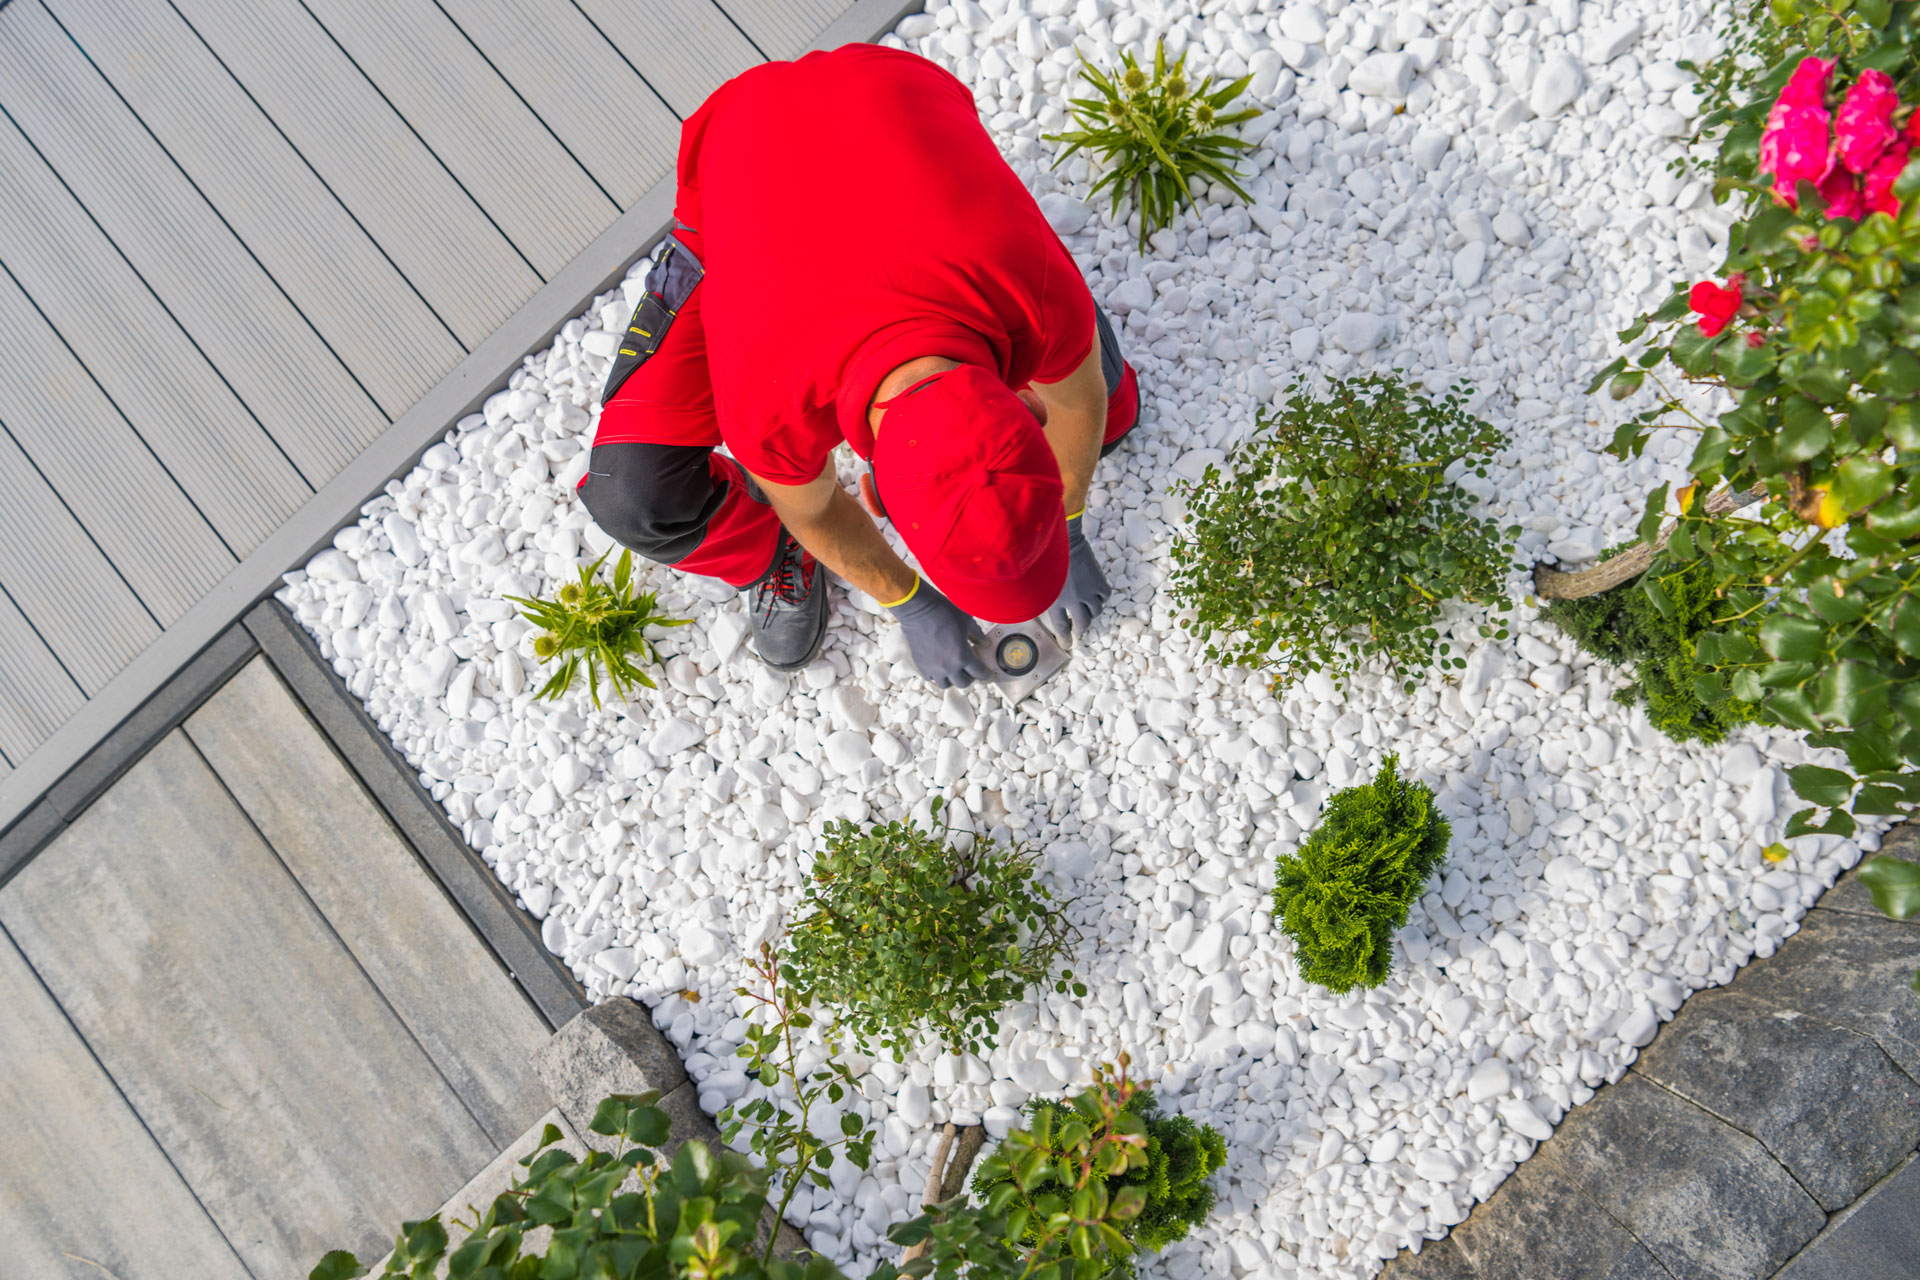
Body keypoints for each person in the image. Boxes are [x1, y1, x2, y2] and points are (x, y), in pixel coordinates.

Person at [577, 43, 1140, 689]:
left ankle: (1088, 360)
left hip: (890, 86)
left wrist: (1063, 526)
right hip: (745, 134)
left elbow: (1076, 403)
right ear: (868, 497)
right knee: (634, 496)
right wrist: (910, 601)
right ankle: (769, 552)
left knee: (1057, 323)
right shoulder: (769, 410)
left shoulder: (1030, 297)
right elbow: (815, 512)